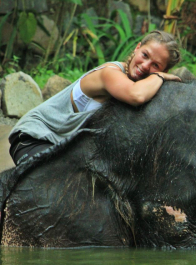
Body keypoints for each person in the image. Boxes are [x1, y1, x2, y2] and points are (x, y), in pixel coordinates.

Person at [9, 30, 182, 166]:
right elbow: (135, 95)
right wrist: (158, 77)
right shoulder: (110, 74)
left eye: (155, 65)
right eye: (145, 55)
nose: (145, 66)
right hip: (34, 138)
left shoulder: (144, 87)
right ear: (137, 48)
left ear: (163, 69)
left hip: (64, 149)